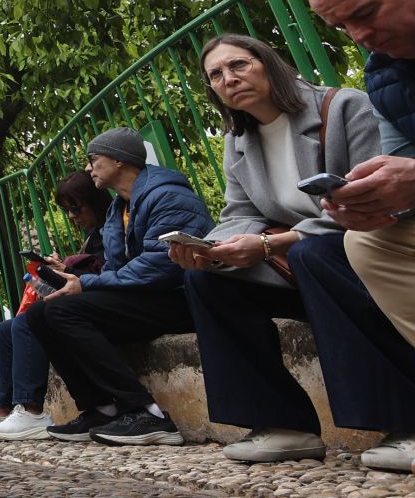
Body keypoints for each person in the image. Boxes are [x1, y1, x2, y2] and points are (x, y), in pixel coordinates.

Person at [171, 32, 415, 468]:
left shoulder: (343, 107)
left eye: (238, 65)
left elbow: (373, 200)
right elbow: (240, 211)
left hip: (362, 247)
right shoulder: (238, 142)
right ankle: (282, 425)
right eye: (216, 75)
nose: (229, 79)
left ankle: (407, 422)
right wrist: (215, 249)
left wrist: (269, 243)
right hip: (297, 264)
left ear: (268, 62)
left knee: (312, 254)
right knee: (205, 279)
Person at [299, 0, 415, 472]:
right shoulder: (385, 72)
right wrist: (373, 204)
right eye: (344, 27)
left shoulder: (339, 105)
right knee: (366, 243)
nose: (361, 36)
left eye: (366, 14)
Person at [25, 128, 214, 447]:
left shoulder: (167, 194)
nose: (88, 168)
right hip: (142, 299)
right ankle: (101, 407)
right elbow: (116, 269)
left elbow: (161, 265)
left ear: (118, 160)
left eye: (93, 159)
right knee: (40, 314)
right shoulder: (118, 209)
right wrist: (76, 282)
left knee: (63, 309)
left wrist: (86, 284)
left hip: (177, 298)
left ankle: (147, 413)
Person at [0, 173, 110, 441]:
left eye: (76, 208)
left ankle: (32, 409)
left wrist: (69, 270)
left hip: (103, 298)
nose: (72, 216)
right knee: (6, 329)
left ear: (94, 201)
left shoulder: (113, 226)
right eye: (67, 210)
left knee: (28, 321)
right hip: (88, 293)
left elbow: (111, 269)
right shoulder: (93, 234)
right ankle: (0, 408)